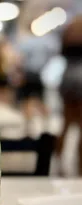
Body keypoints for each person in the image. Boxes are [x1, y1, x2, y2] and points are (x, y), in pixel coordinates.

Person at [55, 15, 82, 175]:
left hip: (68, 76)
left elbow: (61, 52)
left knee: (65, 123)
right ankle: (80, 165)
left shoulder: (69, 29)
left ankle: (57, 161)